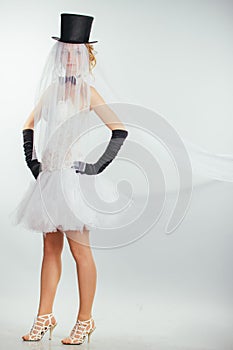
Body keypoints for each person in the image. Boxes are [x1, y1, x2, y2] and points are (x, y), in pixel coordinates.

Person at [17, 13, 128, 345]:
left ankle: (85, 320)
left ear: (84, 56)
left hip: (72, 182)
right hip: (49, 179)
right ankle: (44, 316)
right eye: (63, 52)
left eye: (73, 52)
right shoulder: (52, 90)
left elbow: (119, 130)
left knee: (81, 251)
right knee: (50, 250)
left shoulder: (89, 93)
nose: (67, 57)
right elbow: (28, 124)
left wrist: (96, 167)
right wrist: (33, 162)